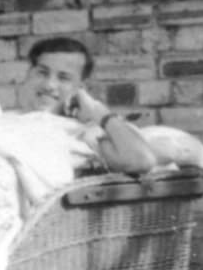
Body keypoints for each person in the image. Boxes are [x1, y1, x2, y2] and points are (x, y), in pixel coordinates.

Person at [19, 37, 156, 174]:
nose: (49, 85)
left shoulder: (80, 134)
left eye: (63, 78)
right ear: (29, 74)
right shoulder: (5, 119)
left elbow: (142, 160)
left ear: (81, 88)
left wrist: (97, 111)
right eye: (42, 73)